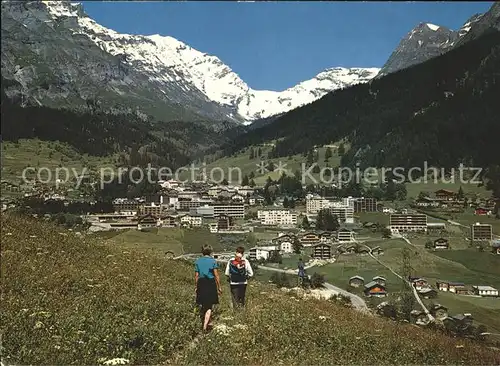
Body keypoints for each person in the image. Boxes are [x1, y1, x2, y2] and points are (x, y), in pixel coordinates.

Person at [194, 244, 222, 331]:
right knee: (209, 305)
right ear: (210, 252)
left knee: (203, 304)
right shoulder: (213, 261)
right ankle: (205, 326)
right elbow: (216, 275)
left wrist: (196, 286)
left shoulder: (198, 261)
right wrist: (219, 287)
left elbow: (196, 276)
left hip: (201, 283)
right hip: (210, 283)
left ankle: (207, 321)